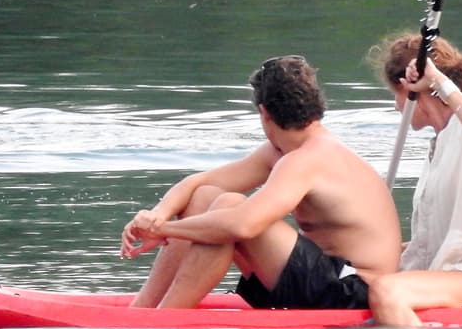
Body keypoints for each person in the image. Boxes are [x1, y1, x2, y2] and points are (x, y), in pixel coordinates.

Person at [120, 55, 402, 310]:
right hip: (324, 276)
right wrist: (156, 215)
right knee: (207, 195)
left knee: (230, 208)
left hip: (354, 290)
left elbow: (243, 225)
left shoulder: (308, 158)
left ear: (264, 113)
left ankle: (167, 318)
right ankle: (143, 309)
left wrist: (165, 229)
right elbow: (199, 182)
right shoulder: (283, 152)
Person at [366, 35, 462, 328]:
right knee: (358, 275)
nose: (397, 107)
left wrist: (435, 80)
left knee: (385, 291)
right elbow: (428, 243)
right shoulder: (437, 146)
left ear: (409, 90)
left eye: (395, 95)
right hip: (442, 273)